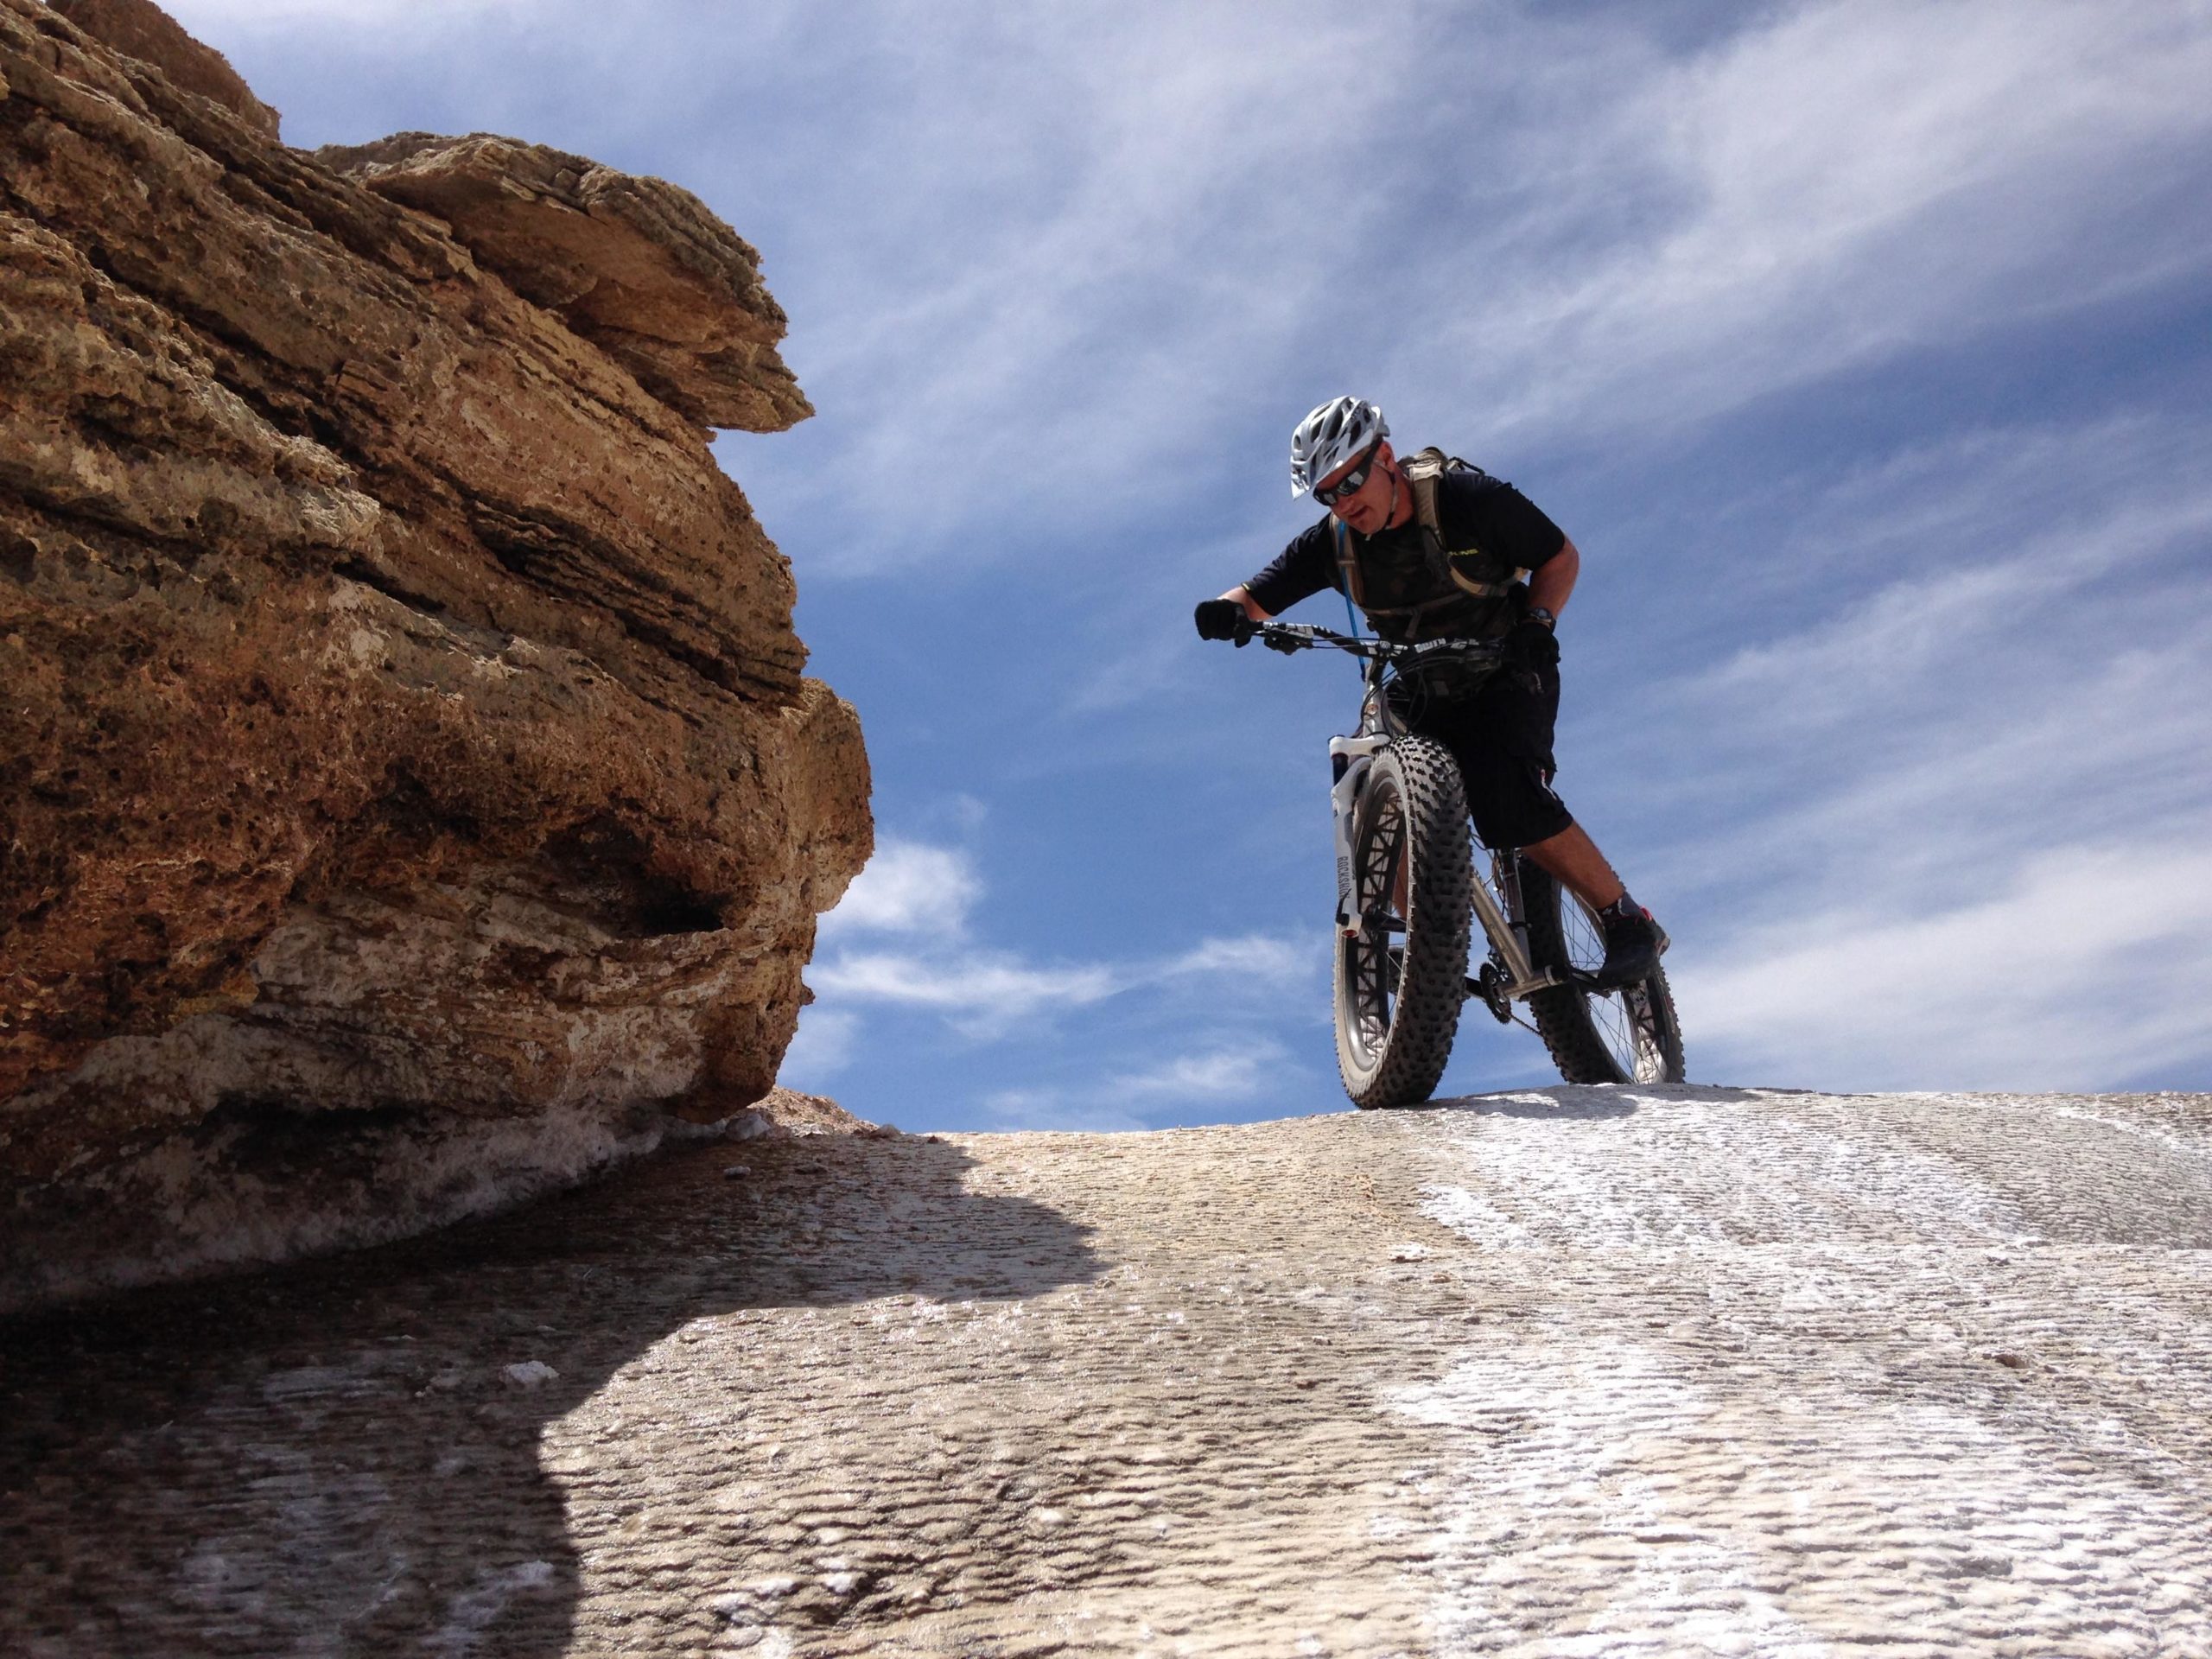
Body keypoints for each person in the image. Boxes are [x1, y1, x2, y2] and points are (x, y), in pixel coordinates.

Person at [1194, 395, 1666, 987]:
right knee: (1368, 777)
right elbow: (1256, 595)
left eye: (1352, 481)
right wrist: (1222, 613)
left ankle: (1626, 920)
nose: (1346, 502)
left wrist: (1538, 625)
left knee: (1506, 802)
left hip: (1506, 668)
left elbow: (1558, 556)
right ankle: (1428, 943)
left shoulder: (1466, 500)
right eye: (1329, 494)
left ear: (1384, 456)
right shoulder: (1334, 543)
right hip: (1419, 684)